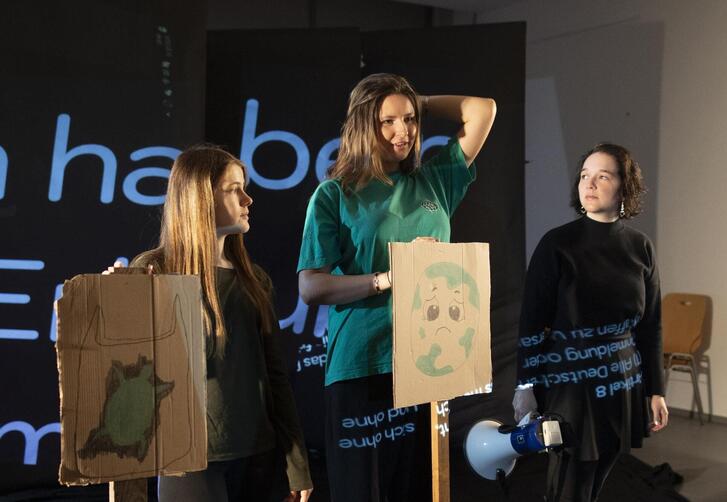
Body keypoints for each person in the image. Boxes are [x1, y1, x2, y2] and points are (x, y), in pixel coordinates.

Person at [296, 73, 496, 501]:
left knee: (417, 489)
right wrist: (386, 279)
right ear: (363, 124)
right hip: (361, 364)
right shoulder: (335, 194)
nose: (401, 132)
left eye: (409, 120)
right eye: (387, 120)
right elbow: (311, 286)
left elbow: (483, 109)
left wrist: (418, 100)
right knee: (361, 492)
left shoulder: (435, 181)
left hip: (428, 360)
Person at [111, 145, 312, 502]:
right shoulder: (154, 270)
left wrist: (296, 464)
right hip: (186, 459)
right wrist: (117, 295)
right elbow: (123, 366)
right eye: (234, 189)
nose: (248, 199)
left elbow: (276, 375)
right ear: (200, 198)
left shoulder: (255, 280)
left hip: (257, 458)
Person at [512, 143, 669, 502]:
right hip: (571, 382)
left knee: (599, 477)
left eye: (603, 176)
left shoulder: (640, 247)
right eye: (585, 175)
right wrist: (525, 386)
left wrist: (655, 390)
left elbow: (651, 324)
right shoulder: (557, 244)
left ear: (624, 187)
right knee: (570, 484)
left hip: (623, 379)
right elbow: (532, 322)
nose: (590, 183)